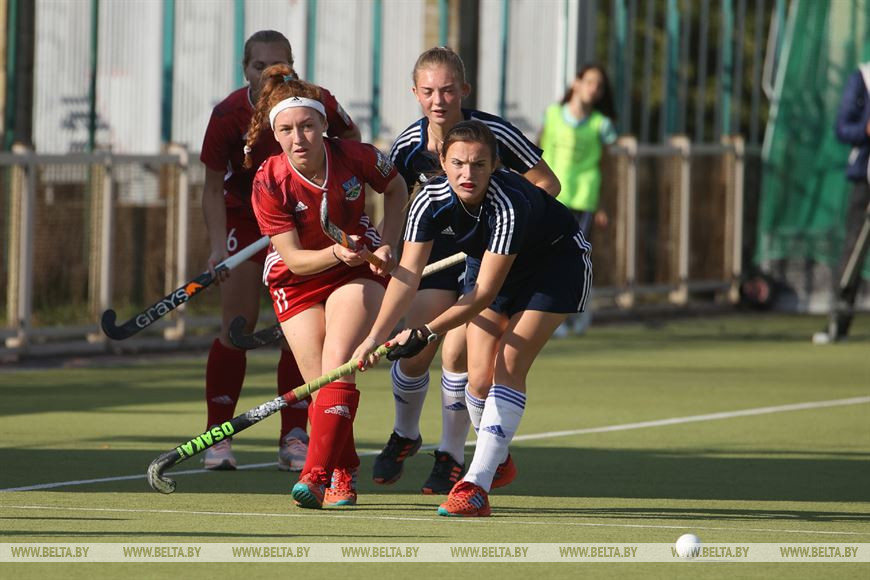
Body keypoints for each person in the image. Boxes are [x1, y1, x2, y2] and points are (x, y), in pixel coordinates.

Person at [354, 120, 591, 517]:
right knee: (478, 379)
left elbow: (483, 295)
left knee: (509, 363)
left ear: (495, 165)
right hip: (493, 264)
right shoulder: (428, 201)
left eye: (479, 164)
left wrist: (424, 331)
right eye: (459, 163)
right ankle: (499, 459)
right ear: (442, 162)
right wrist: (374, 336)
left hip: (555, 265)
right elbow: (408, 275)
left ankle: (476, 485)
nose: (468, 173)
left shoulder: (507, 204)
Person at [377, 46, 561, 494]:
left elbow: (547, 183)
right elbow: (397, 200)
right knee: (416, 348)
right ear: (415, 93)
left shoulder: (493, 134)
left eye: (447, 90)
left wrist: (502, 229)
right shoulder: (407, 145)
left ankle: (451, 454)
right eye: (428, 91)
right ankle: (405, 432)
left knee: (457, 352)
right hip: (436, 252)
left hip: (488, 253)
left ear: (464, 89)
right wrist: (386, 243)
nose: (438, 100)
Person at [199, 30, 361, 471]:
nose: (269, 73)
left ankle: (294, 435)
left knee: (301, 326)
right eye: (259, 66)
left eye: (279, 65)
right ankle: (218, 435)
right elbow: (212, 188)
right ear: (245, 69)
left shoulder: (316, 103)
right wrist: (218, 246)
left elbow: (352, 141)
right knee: (237, 326)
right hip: (245, 222)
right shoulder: (227, 115)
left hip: (305, 223)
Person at [249, 69, 408, 509]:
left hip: (356, 272)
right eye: (286, 129)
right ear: (274, 134)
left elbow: (397, 187)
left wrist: (388, 240)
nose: (298, 138)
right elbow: (295, 259)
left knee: (336, 365)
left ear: (323, 124)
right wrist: (338, 252)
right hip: (297, 277)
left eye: (306, 126)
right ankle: (344, 467)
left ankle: (315, 474)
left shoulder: (356, 156)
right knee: (321, 390)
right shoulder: (268, 180)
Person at [539, 64, 617, 336]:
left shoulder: (601, 125)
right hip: (551, 197)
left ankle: (575, 314)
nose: (594, 89)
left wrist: (604, 205)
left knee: (571, 257)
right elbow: (536, 154)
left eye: (599, 86)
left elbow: (608, 167)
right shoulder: (552, 114)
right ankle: (550, 315)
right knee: (544, 256)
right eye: (590, 82)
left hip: (583, 200)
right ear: (576, 83)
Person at [814, 62, 870, 344]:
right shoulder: (864, 77)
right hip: (866, 178)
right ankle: (838, 323)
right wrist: (866, 129)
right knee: (854, 249)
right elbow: (843, 128)